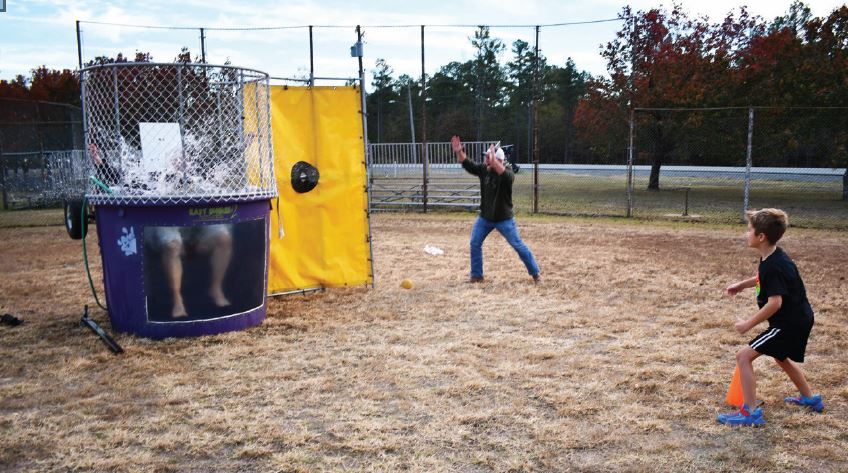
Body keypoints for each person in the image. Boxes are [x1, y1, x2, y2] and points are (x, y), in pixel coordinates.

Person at [717, 208, 823, 426]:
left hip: (788, 324)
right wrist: (741, 285)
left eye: (749, 230)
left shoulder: (773, 265)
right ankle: (810, 399)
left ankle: (750, 413)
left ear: (761, 236)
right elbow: (760, 277)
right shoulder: (773, 256)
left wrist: (747, 324)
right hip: (799, 318)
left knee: (743, 357)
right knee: (780, 356)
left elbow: (775, 303)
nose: (746, 234)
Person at [451, 135, 540, 284]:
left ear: (499, 160)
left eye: (489, 158)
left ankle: (535, 273)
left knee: (518, 245)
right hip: (485, 217)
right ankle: (477, 276)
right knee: (475, 243)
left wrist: (493, 161)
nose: (486, 160)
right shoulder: (484, 170)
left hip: (504, 219)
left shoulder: (509, 174)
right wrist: (459, 151)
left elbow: (503, 173)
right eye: (486, 157)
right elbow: (466, 163)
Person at [145, 224, 233, 318]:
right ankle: (177, 300)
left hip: (199, 218)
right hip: (167, 218)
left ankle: (216, 289)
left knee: (223, 240)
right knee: (172, 247)